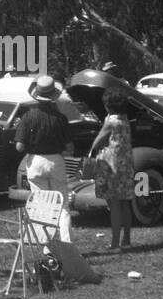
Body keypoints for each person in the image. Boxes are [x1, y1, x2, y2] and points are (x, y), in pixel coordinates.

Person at [14, 74, 73, 243]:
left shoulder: (28, 117)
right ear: (53, 95)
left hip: (35, 161)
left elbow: (19, 147)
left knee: (42, 205)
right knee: (62, 206)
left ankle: (44, 243)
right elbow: (69, 148)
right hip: (55, 160)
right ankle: (66, 244)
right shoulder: (60, 119)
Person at [87, 88, 134, 250]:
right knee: (124, 202)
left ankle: (115, 243)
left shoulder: (111, 121)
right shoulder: (125, 119)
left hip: (111, 166)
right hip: (125, 164)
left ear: (108, 106)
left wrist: (91, 152)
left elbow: (98, 140)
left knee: (113, 204)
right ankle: (126, 239)